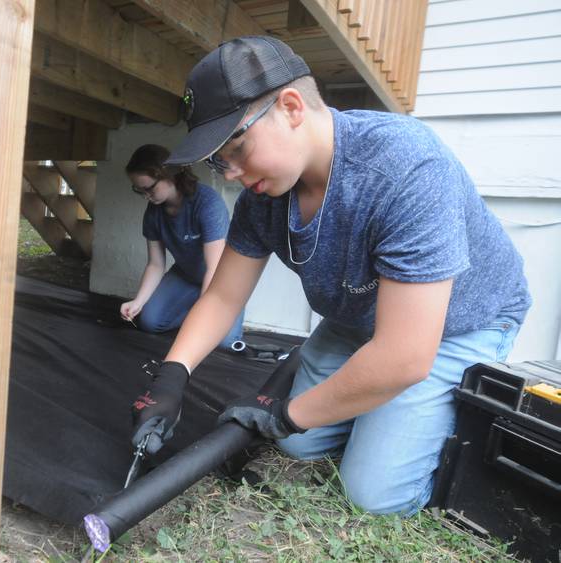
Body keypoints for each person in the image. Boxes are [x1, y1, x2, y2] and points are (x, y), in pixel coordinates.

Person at [129, 36, 531, 516]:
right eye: (217, 160)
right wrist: (172, 378)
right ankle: (370, 403)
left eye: (235, 145)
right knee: (301, 444)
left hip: (456, 326)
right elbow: (221, 298)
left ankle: (416, 422)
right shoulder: (264, 198)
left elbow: (404, 357)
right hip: (356, 317)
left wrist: (283, 415)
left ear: (291, 107)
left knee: (375, 494)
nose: (230, 172)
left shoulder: (404, 167)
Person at [120, 144, 243, 349]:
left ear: (170, 175)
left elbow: (214, 269)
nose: (145, 196)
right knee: (149, 322)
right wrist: (138, 302)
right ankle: (194, 304)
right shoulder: (153, 212)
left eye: (149, 188)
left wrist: (201, 316)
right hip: (187, 274)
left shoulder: (207, 204)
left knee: (223, 342)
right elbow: (156, 265)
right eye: (139, 190)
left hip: (222, 278)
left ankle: (228, 304)